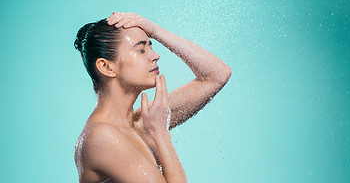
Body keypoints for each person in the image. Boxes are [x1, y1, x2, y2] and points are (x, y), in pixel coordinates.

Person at [74, 12, 232, 183]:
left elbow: (217, 75)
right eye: (141, 50)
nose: (156, 55)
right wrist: (160, 133)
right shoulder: (102, 137)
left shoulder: (141, 123)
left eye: (151, 46)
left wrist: (155, 30)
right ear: (106, 67)